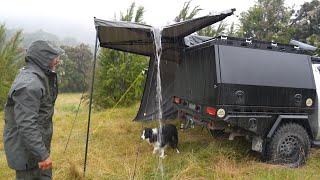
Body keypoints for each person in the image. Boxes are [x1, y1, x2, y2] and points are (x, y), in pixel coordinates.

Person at [3, 40, 65, 179]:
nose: (57, 60)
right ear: (43, 59)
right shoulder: (29, 84)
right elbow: (26, 124)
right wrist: (42, 155)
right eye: (54, 57)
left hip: (35, 149)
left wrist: (42, 152)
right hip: (27, 153)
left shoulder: (38, 76)